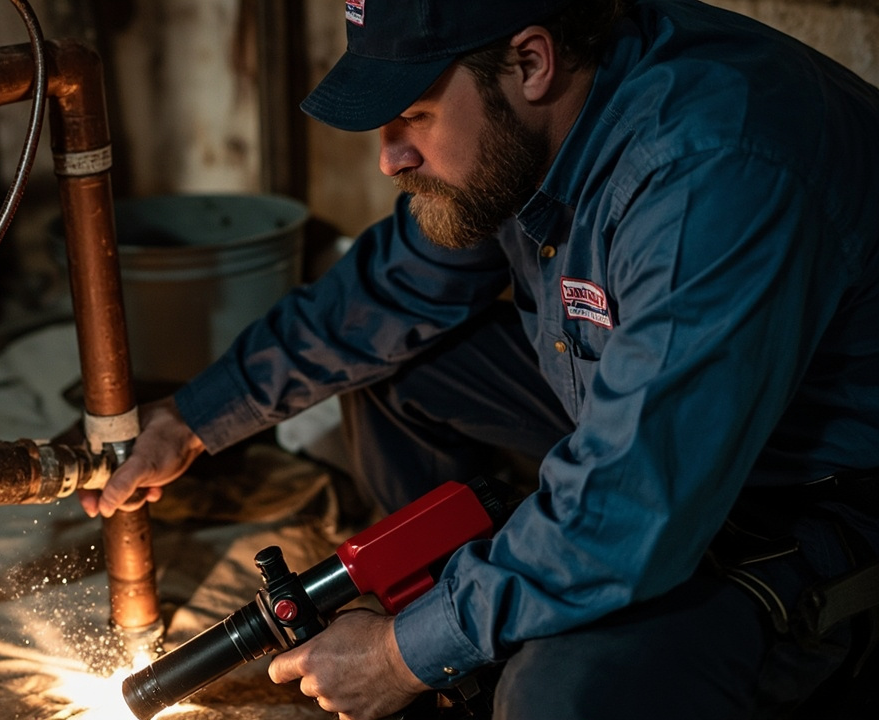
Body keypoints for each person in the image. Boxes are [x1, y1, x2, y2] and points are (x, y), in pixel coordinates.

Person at [81, 1, 879, 718]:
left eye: (415, 116)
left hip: (805, 499)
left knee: (560, 695)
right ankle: (479, 607)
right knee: (396, 363)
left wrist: (404, 656)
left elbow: (629, 503)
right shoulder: (540, 124)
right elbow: (387, 294)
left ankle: (497, 637)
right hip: (656, 437)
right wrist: (190, 421)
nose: (389, 158)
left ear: (531, 63)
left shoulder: (709, 170)